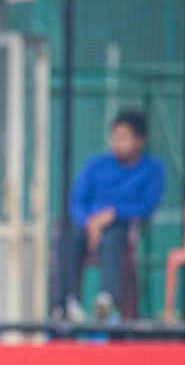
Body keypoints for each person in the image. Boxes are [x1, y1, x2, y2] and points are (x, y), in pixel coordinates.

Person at [53, 110, 165, 321]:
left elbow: (146, 206)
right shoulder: (96, 165)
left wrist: (112, 215)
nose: (116, 143)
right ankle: (67, 303)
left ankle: (107, 301)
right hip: (86, 226)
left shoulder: (152, 169)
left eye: (123, 137)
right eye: (114, 136)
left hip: (119, 227)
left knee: (113, 238)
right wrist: (90, 223)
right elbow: (77, 200)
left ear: (140, 141)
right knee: (66, 234)